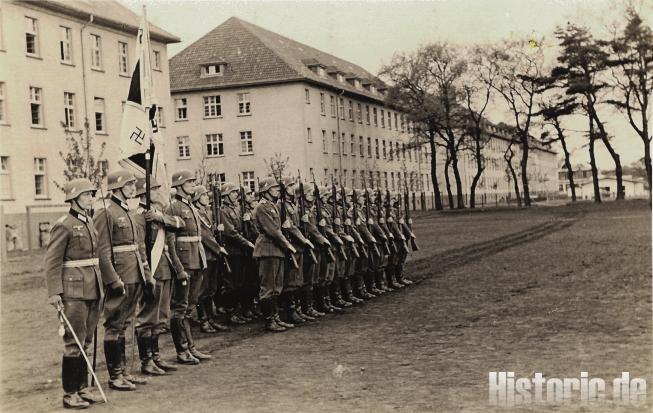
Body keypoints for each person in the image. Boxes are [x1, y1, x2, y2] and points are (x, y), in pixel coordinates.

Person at [45, 178, 104, 409]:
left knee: (86, 340)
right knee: (74, 342)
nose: (91, 198)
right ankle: (70, 393)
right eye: (86, 195)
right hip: (73, 290)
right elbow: (52, 261)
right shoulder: (64, 224)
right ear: (74, 198)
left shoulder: (89, 221)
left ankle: (82, 388)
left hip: (92, 286)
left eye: (91, 194)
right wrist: (54, 292)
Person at [95, 170, 154, 391]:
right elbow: (102, 251)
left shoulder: (127, 211)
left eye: (132, 184)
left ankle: (124, 371)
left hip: (134, 272)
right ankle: (115, 375)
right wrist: (112, 279)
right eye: (129, 185)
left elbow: (139, 246)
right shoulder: (106, 212)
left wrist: (146, 274)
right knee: (114, 325)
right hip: (120, 275)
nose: (133, 188)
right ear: (117, 187)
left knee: (125, 323)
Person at [132, 176, 185, 376]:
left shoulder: (158, 211)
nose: (156, 192)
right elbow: (140, 247)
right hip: (151, 271)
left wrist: (159, 218)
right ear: (142, 193)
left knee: (160, 317)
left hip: (164, 269)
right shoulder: (138, 216)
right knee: (147, 317)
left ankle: (156, 357)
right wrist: (146, 273)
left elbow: (180, 225)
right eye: (152, 189)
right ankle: (146, 361)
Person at [165, 170, 212, 363]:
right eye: (189, 182)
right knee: (180, 307)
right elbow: (171, 241)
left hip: (196, 259)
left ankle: (191, 347)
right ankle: (182, 350)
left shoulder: (190, 206)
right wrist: (178, 268)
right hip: (185, 262)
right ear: (179, 185)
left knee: (189, 307)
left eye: (193, 182)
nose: (193, 185)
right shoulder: (174, 208)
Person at [252, 177, 296, 332]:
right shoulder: (262, 207)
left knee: (276, 287)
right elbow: (273, 231)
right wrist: (288, 245)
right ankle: (269, 321)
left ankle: (275, 318)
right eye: (274, 188)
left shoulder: (273, 206)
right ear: (266, 190)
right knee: (268, 287)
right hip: (267, 249)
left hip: (276, 250)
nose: (278, 190)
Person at [278, 176, 315, 325]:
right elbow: (290, 227)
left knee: (298, 280)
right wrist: (303, 239)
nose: (292, 188)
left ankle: (297, 309)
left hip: (298, 245)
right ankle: (291, 311)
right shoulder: (282, 205)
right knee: (291, 280)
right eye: (289, 186)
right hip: (292, 244)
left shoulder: (292, 205)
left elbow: (296, 225)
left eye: (293, 186)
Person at [192, 184, 228, 333]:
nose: (207, 198)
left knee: (211, 288)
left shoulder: (206, 212)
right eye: (204, 195)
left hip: (212, 256)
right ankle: (204, 321)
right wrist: (218, 248)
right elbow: (205, 236)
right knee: (203, 290)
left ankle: (211, 319)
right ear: (197, 198)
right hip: (205, 255)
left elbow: (210, 232)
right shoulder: (197, 213)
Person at [219, 182, 255, 324]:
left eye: (236, 192)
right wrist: (246, 243)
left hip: (242, 251)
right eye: (233, 192)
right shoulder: (224, 211)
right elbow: (230, 232)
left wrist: (248, 220)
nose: (236, 194)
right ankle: (231, 312)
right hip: (232, 251)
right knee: (231, 284)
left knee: (242, 282)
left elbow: (245, 227)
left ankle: (241, 310)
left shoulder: (239, 209)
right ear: (226, 195)